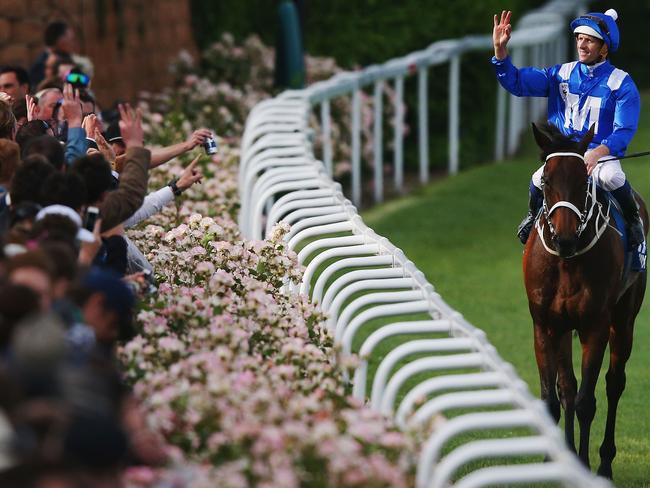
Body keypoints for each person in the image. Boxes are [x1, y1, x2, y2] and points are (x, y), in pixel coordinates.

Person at [492, 9, 644, 247]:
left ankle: (634, 223)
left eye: (589, 40)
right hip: (564, 152)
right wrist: (501, 53)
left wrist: (599, 152)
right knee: (536, 179)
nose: (582, 45)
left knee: (613, 177)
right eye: (579, 38)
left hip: (599, 154)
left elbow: (623, 131)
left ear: (604, 47)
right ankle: (533, 218)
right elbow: (518, 83)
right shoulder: (560, 74)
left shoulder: (621, 83)